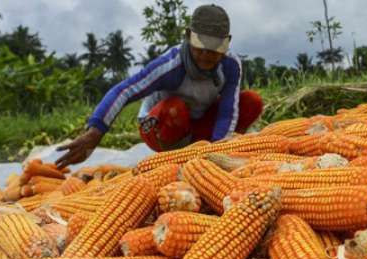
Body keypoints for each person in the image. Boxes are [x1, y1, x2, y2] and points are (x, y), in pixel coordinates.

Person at [55, 4, 263, 169]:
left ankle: (204, 157)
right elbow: (125, 90)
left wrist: (219, 153)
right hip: (162, 125)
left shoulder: (230, 65)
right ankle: (175, 162)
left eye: (214, 48)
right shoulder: (171, 65)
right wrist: (95, 133)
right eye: (200, 47)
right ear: (188, 36)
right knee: (175, 108)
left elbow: (228, 111)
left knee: (251, 102)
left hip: (198, 126)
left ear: (227, 42)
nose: (206, 55)